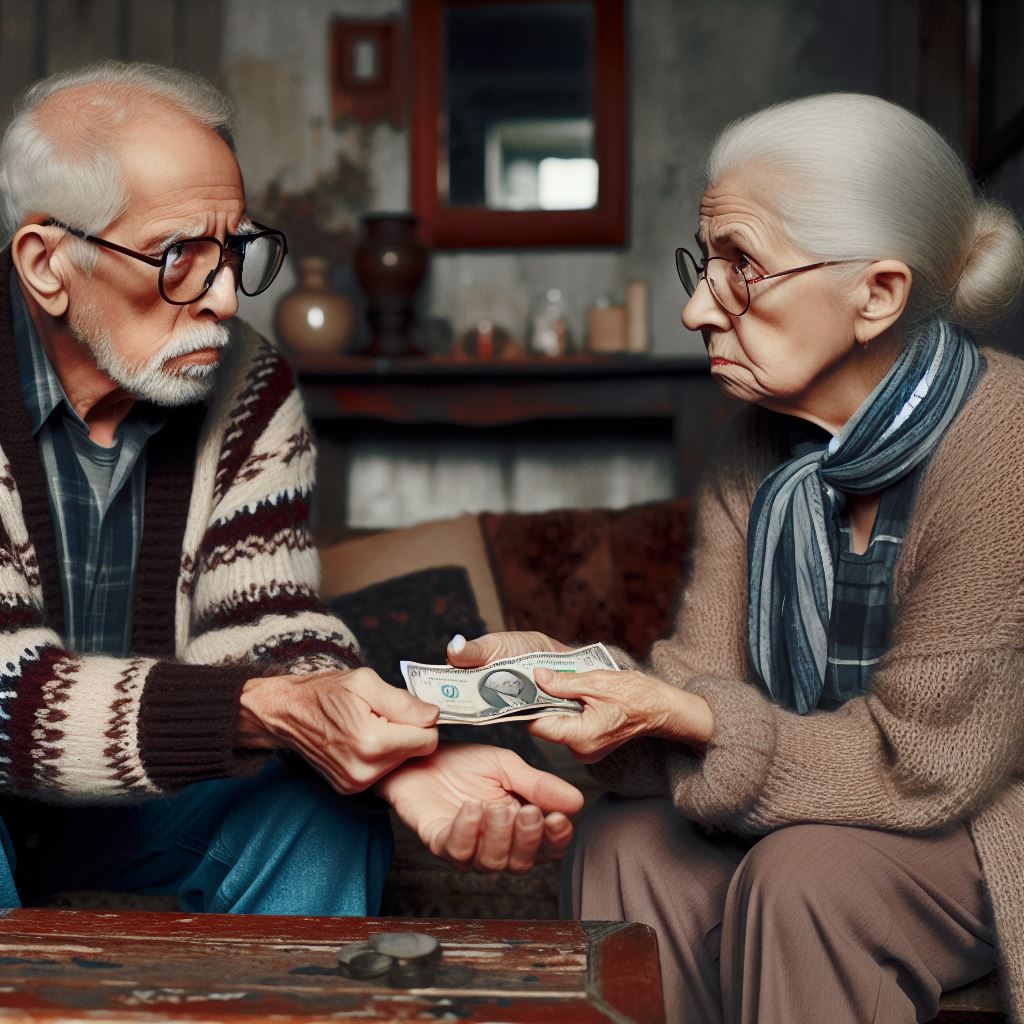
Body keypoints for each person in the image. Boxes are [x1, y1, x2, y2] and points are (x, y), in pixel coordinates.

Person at [448, 92, 1024, 1024]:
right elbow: (699, 686)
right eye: (705, 262)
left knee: (808, 877)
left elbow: (932, 767)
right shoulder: (756, 449)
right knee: (623, 841)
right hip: (811, 791)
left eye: (741, 267)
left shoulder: (1005, 441)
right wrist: (578, 687)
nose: (694, 309)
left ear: (876, 294)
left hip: (982, 813)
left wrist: (687, 716)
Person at [0, 60, 583, 916]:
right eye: (177, 255)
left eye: (233, 249)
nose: (226, 298)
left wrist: (391, 764)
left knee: (324, 812)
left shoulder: (247, 382)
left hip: (142, 802)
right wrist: (265, 711)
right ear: (48, 263)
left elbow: (265, 619)